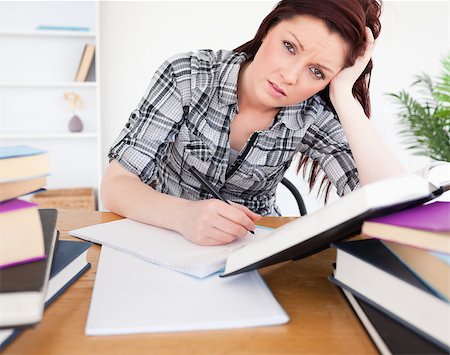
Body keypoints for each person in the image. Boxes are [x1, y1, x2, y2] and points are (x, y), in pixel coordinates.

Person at [101, 0, 404, 246]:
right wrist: (185, 217)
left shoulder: (311, 115)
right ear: (268, 28)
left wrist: (344, 96)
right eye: (289, 47)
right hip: (164, 236)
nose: (290, 76)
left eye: (317, 72)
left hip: (253, 251)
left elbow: (393, 206)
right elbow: (116, 185)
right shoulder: (188, 77)